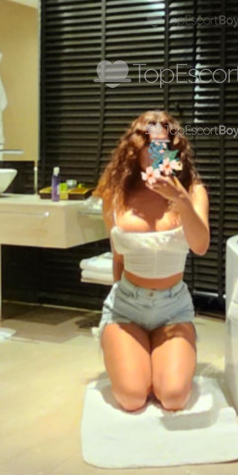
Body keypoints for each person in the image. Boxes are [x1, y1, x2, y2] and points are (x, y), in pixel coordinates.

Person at [95, 110, 209, 413]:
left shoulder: (193, 191)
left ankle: (157, 358)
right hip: (126, 306)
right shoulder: (116, 194)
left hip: (173, 308)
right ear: (135, 149)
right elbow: (118, 256)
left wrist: (181, 200)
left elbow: (200, 246)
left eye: (164, 145)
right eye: (150, 144)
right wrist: (118, 297)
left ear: (175, 149)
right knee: (132, 397)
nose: (157, 152)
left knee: (173, 397)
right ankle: (129, 354)